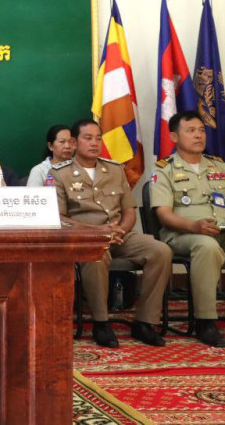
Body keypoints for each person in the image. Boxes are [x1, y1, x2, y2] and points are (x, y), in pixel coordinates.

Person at [53, 119, 171, 348]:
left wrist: (120, 230)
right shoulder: (59, 174)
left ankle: (145, 322)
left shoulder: (115, 170)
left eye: (98, 138)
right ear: (74, 143)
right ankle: (101, 322)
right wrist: (97, 232)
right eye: (88, 138)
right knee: (97, 254)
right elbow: (59, 217)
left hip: (119, 235)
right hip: (86, 239)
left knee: (161, 251)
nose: (95, 143)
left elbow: (129, 211)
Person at [151, 110, 225, 348]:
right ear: (174, 137)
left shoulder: (218, 165)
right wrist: (194, 226)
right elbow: (164, 214)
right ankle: (205, 322)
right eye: (191, 131)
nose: (198, 135)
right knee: (207, 246)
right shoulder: (164, 170)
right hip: (184, 234)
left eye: (201, 130)